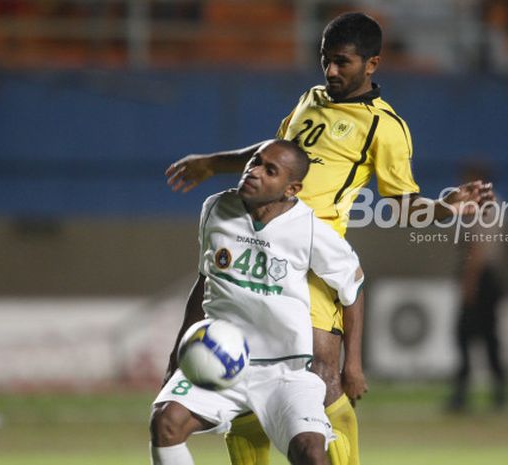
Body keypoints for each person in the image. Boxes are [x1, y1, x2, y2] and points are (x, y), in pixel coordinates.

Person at [165, 12, 494, 465]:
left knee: (323, 378)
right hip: (255, 244)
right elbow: (269, 156)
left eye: (342, 62)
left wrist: (446, 207)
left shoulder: (384, 127)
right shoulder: (310, 99)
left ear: (372, 64)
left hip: (312, 258)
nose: (331, 71)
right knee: (242, 372)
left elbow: (401, 205)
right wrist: (212, 162)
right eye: (326, 61)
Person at [151, 139, 365, 465]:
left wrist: (352, 365)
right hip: (220, 360)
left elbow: (353, 289)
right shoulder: (216, 208)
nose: (253, 172)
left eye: (270, 170)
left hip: (286, 370)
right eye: (254, 161)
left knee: (310, 452)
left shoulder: (310, 231)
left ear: (291, 188)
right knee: (165, 424)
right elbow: (205, 281)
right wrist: (178, 352)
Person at [447, 162, 507, 413]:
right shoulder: (496, 203)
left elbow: (477, 249)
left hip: (481, 279)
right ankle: (499, 393)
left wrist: (468, 285)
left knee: (465, 336)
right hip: (489, 279)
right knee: (489, 337)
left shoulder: (481, 206)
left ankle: (462, 395)